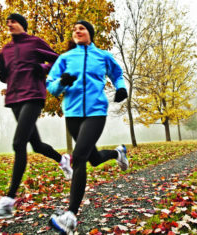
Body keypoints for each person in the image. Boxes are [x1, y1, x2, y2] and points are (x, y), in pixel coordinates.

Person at [0, 13, 73, 219]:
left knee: (18, 143)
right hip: (14, 98)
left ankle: (8, 201)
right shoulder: (5, 50)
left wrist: (42, 67)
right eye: (7, 22)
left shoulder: (34, 43)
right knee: (37, 145)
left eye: (13, 21)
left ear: (22, 25)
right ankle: (63, 160)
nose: (9, 24)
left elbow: (59, 61)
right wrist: (0, 72)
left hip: (33, 95)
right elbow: (5, 75)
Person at [46, 20, 129, 234]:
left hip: (95, 112)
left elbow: (117, 74)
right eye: (74, 29)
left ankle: (70, 217)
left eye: (81, 28)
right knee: (92, 159)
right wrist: (62, 82)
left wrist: (120, 88)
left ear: (90, 33)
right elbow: (52, 87)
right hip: (72, 114)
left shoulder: (102, 56)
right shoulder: (65, 58)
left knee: (79, 157)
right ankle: (118, 153)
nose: (77, 31)